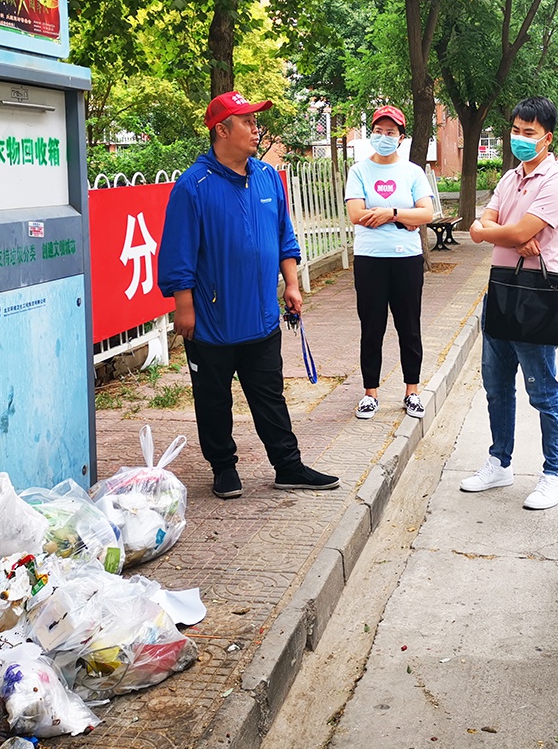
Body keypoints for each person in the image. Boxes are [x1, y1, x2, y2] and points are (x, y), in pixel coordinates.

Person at [158, 90, 340, 499]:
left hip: (260, 315)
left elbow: (284, 236)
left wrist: (291, 284)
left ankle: (288, 466)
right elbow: (178, 254)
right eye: (248, 122)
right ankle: (223, 468)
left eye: (256, 122)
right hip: (211, 321)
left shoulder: (266, 177)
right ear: (222, 130)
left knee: (270, 394)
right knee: (213, 400)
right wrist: (183, 308)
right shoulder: (193, 186)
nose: (256, 129)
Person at [460, 97, 558, 509]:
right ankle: (500, 462)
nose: (521, 139)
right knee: (495, 386)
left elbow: (501, 228)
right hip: (501, 288)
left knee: (542, 389)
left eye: (530, 132)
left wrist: (495, 230)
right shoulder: (510, 179)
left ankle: (554, 473)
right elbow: (476, 227)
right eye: (516, 130)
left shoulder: (557, 181)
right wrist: (501, 232)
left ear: (547, 137)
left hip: (536, 295)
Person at [345, 105, 435, 420]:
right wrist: (403, 218)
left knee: (409, 326)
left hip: (406, 259)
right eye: (379, 131)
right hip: (370, 259)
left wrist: (389, 213)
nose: (384, 137)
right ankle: (370, 393)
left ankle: (412, 391)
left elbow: (426, 214)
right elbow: (356, 214)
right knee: (372, 327)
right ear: (372, 133)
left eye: (391, 132)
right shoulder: (358, 171)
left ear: (401, 137)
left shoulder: (413, 172)